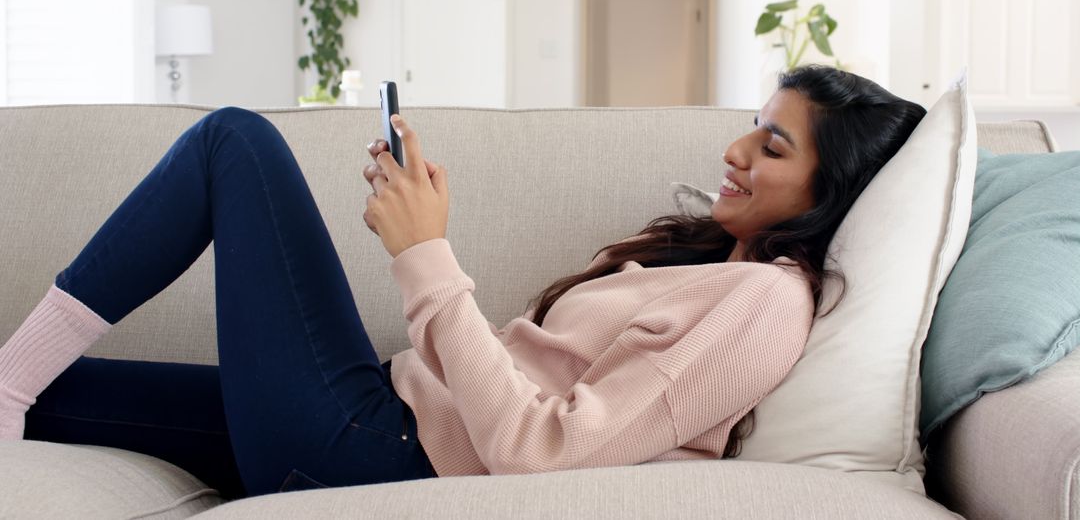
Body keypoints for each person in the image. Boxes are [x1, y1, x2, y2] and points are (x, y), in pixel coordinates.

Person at [0, 65, 926, 500]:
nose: (733, 151)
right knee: (60, 390)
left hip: (379, 450)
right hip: (375, 412)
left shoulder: (763, 304)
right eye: (749, 126)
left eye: (772, 145)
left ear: (830, 187)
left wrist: (426, 256)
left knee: (234, 143)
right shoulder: (706, 265)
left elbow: (543, 453)